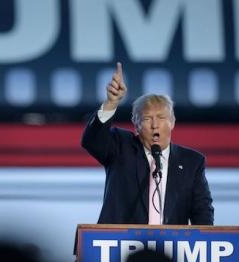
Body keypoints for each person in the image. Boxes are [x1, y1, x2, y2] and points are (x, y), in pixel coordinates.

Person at [81, 62, 214, 225]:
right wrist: (111, 103)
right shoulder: (121, 146)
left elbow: (202, 211)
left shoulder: (192, 162)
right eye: (147, 119)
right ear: (135, 124)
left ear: (172, 122)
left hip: (170, 247)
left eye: (161, 118)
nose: (154, 125)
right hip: (122, 245)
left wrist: (206, 242)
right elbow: (92, 140)